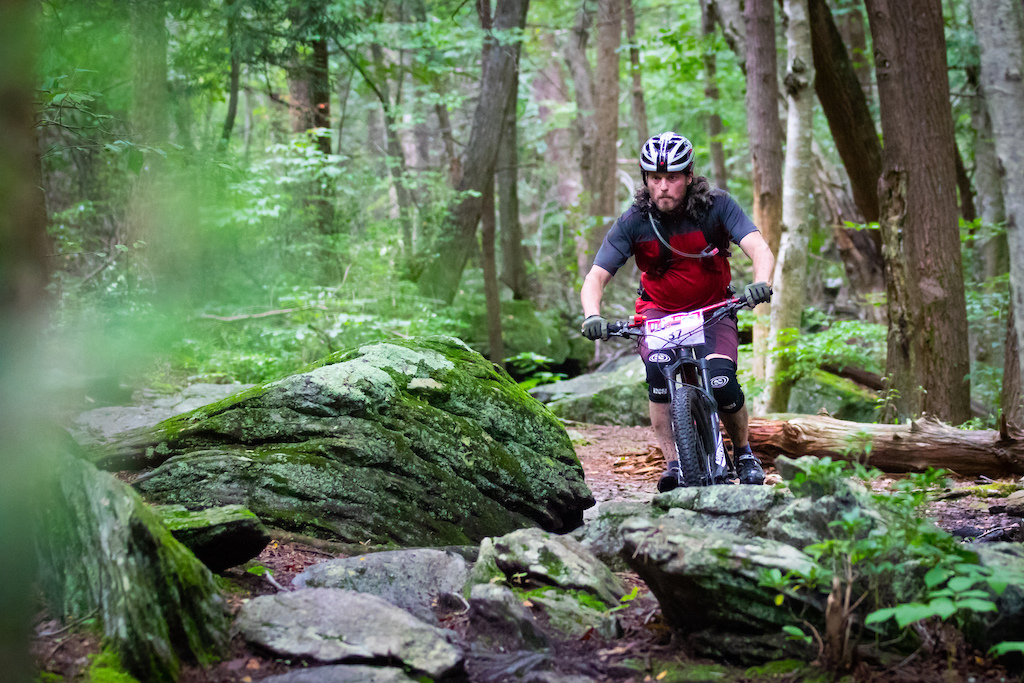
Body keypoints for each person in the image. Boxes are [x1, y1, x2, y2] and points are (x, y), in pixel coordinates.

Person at [579, 132, 775, 491]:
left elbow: (759, 247)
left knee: (722, 381)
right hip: (659, 313)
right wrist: (592, 314)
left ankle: (745, 453)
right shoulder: (634, 221)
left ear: (688, 177)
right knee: (658, 374)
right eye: (656, 178)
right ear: (645, 180)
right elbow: (596, 276)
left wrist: (760, 281)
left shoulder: (718, 206)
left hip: (714, 309)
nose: (664, 186)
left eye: (672, 178)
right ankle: (673, 462)